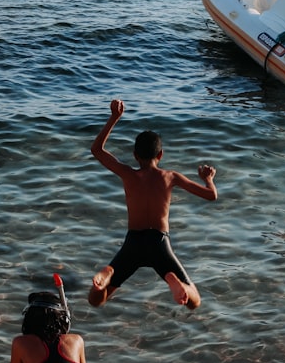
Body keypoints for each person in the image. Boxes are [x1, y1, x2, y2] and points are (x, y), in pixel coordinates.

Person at [89, 99, 218, 309]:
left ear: (135, 156)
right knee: (194, 302)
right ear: (160, 155)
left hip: (133, 242)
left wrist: (114, 118)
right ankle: (174, 281)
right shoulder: (170, 177)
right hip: (159, 243)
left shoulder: (127, 174)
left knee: (96, 300)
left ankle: (108, 274)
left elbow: (97, 150)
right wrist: (208, 178)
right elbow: (211, 195)